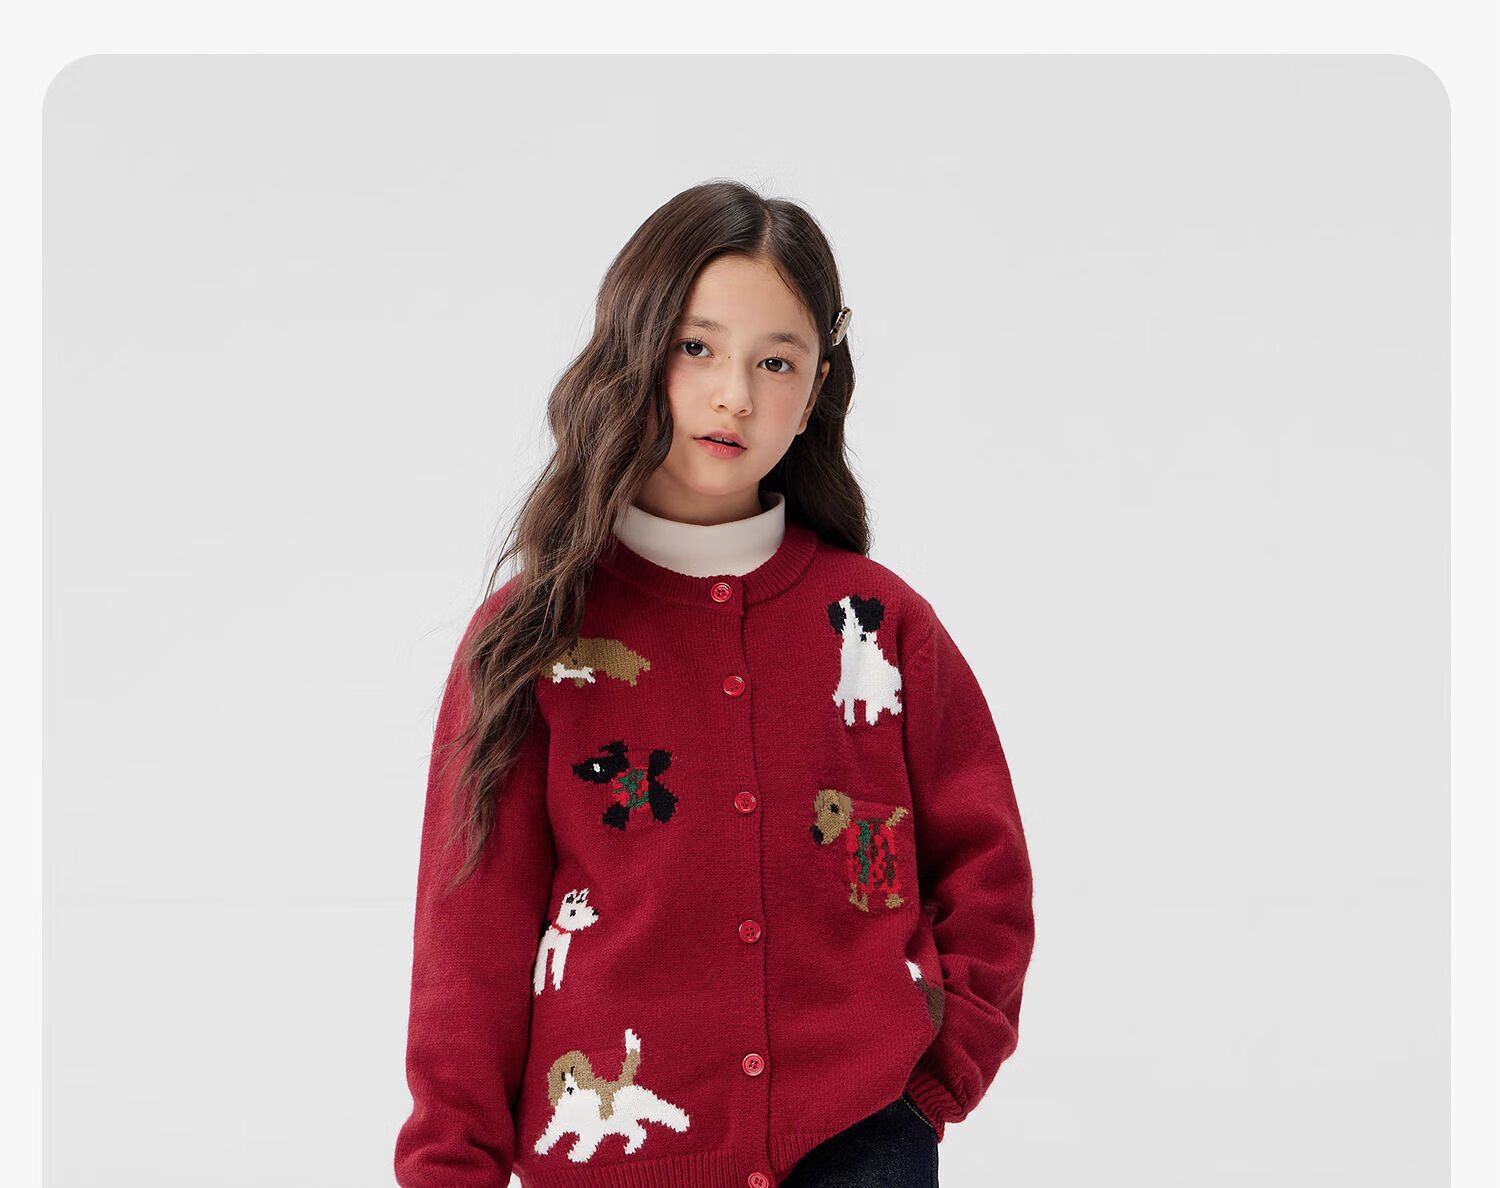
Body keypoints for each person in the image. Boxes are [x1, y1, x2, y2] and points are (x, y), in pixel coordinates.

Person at [393, 179, 1036, 1188]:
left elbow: (985, 871)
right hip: (615, 1159)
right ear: (635, 350)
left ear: (815, 391)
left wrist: (933, 1083)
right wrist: (449, 1169)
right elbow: (469, 941)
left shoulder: (882, 625)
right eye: (697, 347)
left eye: (776, 361)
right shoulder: (536, 636)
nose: (734, 393)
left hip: (859, 1140)